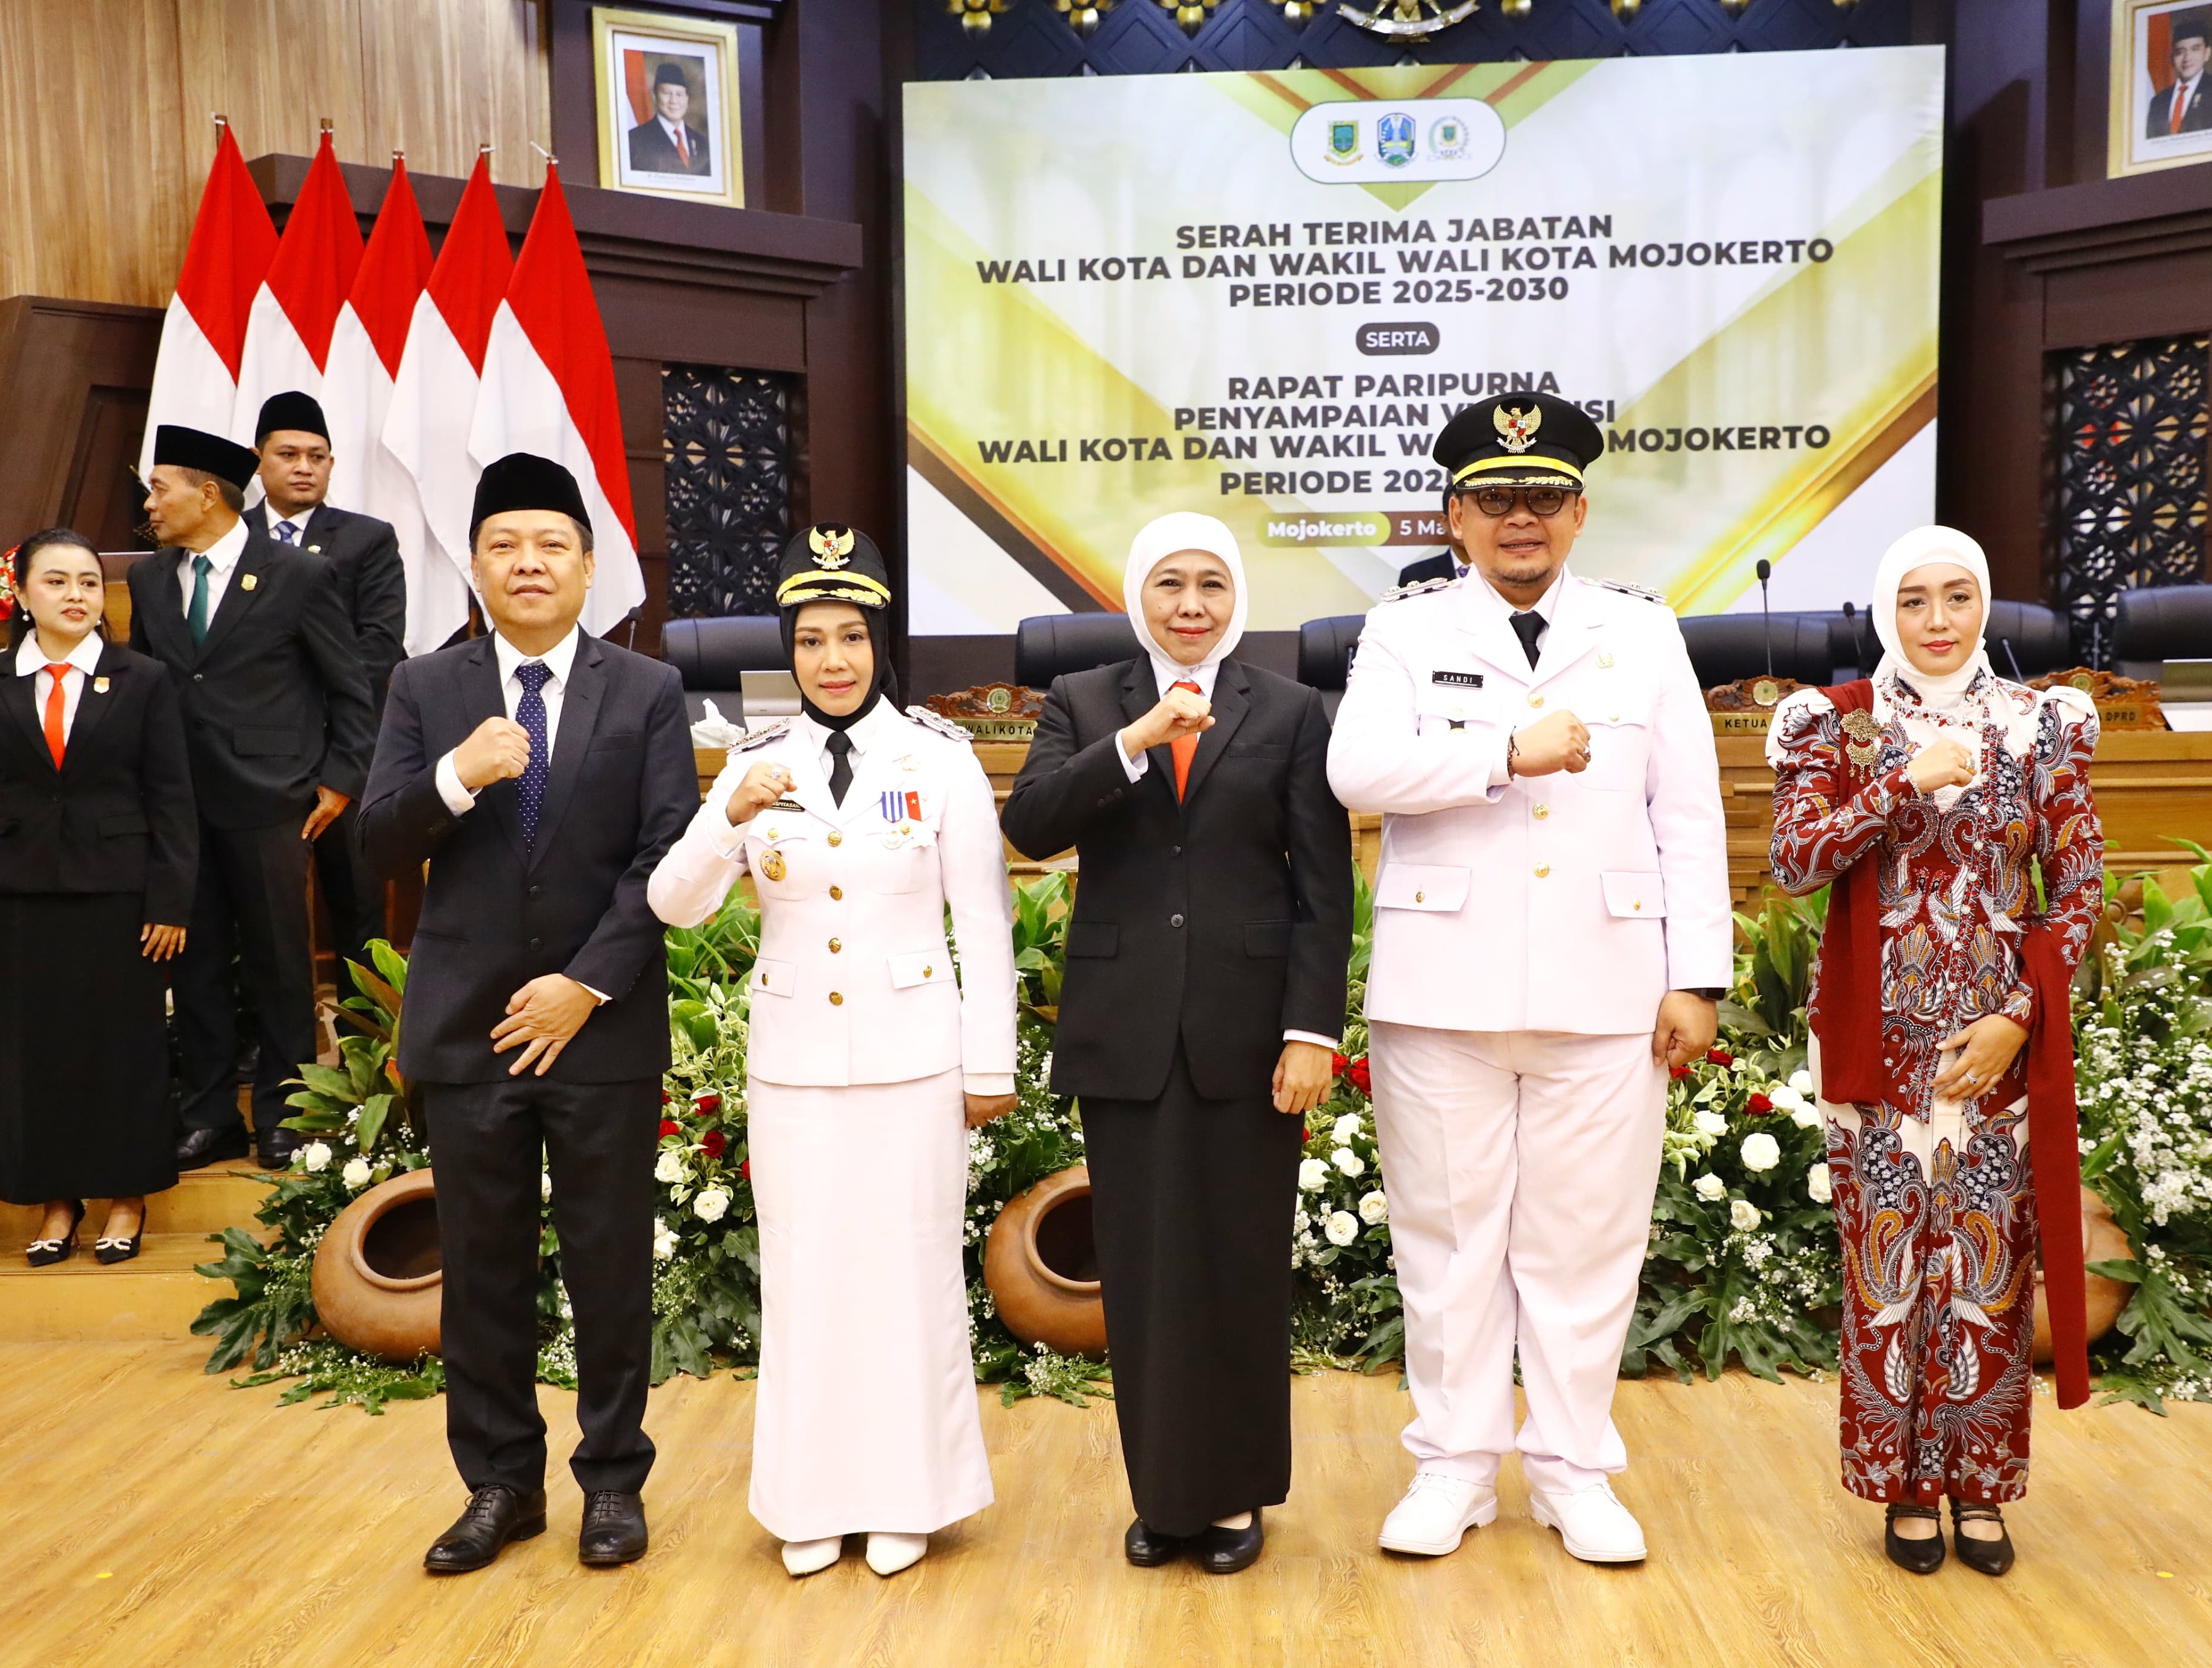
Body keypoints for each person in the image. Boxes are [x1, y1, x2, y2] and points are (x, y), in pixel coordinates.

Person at [1326, 393, 1728, 1566]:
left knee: (1583, 1243)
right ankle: (1450, 1470)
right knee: (1447, 1242)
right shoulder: (1403, 633)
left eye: (1542, 498)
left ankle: (1568, 1470)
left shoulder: (1642, 633)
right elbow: (1358, 769)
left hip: (1607, 982)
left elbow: (1688, 816)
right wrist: (1504, 750)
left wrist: (1695, 973)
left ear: (1579, 512)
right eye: (1495, 499)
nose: (1520, 520)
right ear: (1453, 515)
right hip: (1440, 986)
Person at [647, 524, 1015, 1580]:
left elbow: (983, 920)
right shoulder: (756, 764)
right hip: (797, 1062)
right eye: (812, 640)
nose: (833, 658)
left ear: (881, 645)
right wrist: (726, 815)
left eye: (852, 636)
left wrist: (990, 1064)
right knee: (806, 1278)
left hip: (916, 1061)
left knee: (909, 1274)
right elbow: (675, 905)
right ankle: (809, 1499)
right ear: (789, 652)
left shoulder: (937, 759)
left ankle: (911, 1495)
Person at [356, 452, 698, 1575]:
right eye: (506, 545)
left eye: (552, 544)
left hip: (599, 1024)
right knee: (485, 1270)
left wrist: (585, 984)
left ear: (589, 566)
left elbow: (666, 855)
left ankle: (612, 1481)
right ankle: (501, 1482)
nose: (530, 562)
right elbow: (375, 843)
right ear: (476, 566)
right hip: (467, 1031)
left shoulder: (645, 690)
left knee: (608, 1263)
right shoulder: (426, 688)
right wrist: (456, 776)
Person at [1001, 512, 1351, 1576]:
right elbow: (1032, 822)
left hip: (1252, 1039)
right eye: (1169, 584)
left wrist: (1310, 1030)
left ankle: (1237, 1492)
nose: (1191, 604)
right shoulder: (1086, 700)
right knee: (1146, 1275)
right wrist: (1136, 740)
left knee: (1240, 1265)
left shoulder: (1291, 709)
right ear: (1136, 595)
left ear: (1235, 595)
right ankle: (1165, 1493)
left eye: (1210, 583)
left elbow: (1320, 887)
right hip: (1127, 1029)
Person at [1766, 525, 2104, 1578]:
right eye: (1915, 600)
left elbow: (2080, 889)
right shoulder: (1841, 723)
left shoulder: (2037, 723)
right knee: (1893, 1272)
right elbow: (1794, 859)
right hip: (1879, 1040)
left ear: (1986, 605)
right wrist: (1905, 782)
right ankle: (1906, 1485)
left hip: (1998, 1043)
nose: (1941, 620)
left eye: (1959, 597)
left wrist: (2018, 1016)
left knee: (1990, 1273)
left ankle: (1981, 1483)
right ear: (1885, 613)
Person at [0, 529, 194, 1265]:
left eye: (88, 581)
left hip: (122, 899)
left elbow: (172, 799)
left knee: (124, 1051)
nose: (77, 594)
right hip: (19, 902)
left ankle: (126, 1196)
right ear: (21, 594)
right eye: (57, 582)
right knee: (36, 1056)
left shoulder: (142, 678)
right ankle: (57, 1204)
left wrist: (171, 901)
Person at [128, 425, 374, 1172]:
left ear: (207, 493)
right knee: (194, 964)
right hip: (178, 805)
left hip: (274, 800)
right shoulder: (148, 578)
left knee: (280, 966)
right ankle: (208, 1115)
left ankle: (287, 1113)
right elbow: (145, 686)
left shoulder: (296, 574)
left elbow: (349, 686)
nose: (151, 504)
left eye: (159, 487)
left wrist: (338, 779)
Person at [247, 390, 406, 979]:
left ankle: (365, 1045)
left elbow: (380, 643)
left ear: (332, 465)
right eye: (288, 454)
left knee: (357, 899)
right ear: (258, 459)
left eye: (318, 456)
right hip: (252, 750)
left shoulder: (367, 539)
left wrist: (302, 703)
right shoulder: (227, 539)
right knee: (262, 902)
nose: (304, 466)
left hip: (349, 744)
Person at [2146, 16, 2212, 138]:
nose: (2187, 58)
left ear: (2207, 54)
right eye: (2180, 52)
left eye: (2195, 49)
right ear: (2172, 57)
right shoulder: (2158, 101)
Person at [627, 63, 709, 174]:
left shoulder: (702, 144)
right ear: (655, 96)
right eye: (667, 94)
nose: (674, 101)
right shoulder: (634, 140)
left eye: (679, 95)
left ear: (687, 99)